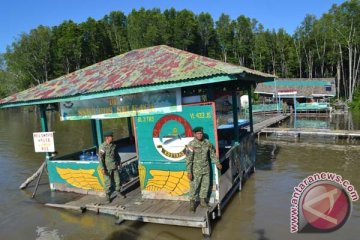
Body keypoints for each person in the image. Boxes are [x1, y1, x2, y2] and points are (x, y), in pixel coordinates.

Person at [186, 127, 222, 212]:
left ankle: (203, 202)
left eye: (201, 133)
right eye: (198, 133)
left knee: (205, 186)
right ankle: (192, 204)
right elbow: (188, 160)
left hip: (206, 169)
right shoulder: (191, 145)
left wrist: (217, 163)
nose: (200, 135)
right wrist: (189, 172)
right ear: (194, 134)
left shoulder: (207, 143)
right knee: (194, 187)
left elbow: (212, 154)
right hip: (196, 170)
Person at [99, 130, 126, 203]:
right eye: (111, 136)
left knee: (118, 180)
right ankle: (108, 196)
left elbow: (116, 155)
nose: (112, 137)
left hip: (114, 166)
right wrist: (102, 168)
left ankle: (118, 192)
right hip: (107, 168)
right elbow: (101, 158)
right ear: (107, 137)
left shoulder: (114, 145)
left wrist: (119, 162)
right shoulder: (103, 147)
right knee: (108, 182)